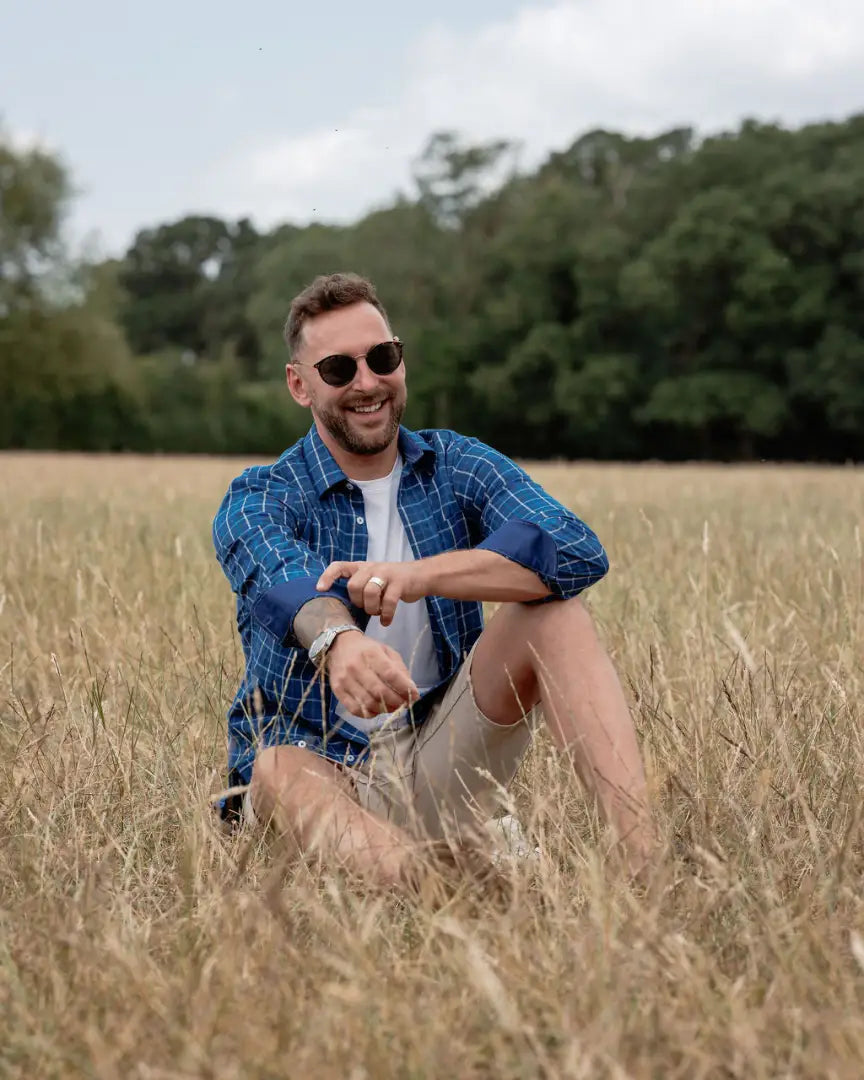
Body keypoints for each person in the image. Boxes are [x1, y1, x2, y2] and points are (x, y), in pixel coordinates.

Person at [212, 272, 655, 895]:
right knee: (277, 764)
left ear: (401, 360)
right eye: (338, 369)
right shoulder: (262, 494)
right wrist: (339, 643)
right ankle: (438, 886)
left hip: (433, 759)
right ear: (299, 385)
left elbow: (573, 548)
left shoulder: (457, 465)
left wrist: (421, 575)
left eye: (382, 359)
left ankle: (645, 873)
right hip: (319, 778)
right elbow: (278, 580)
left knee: (555, 614)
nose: (366, 383)